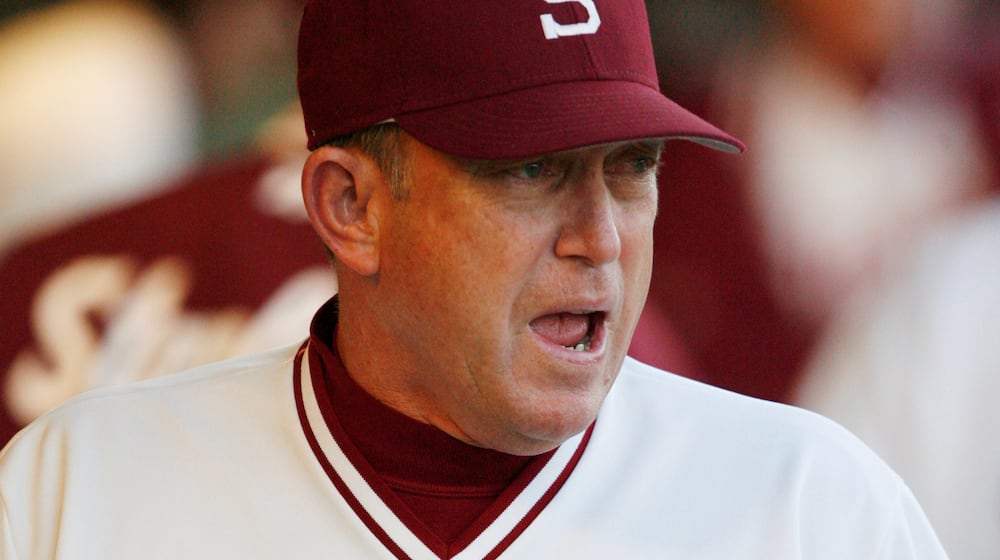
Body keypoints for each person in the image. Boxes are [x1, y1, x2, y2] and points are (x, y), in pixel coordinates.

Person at [0, 1, 948, 558]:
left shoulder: (815, 511)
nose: (600, 238)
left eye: (633, 166)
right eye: (529, 169)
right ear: (349, 206)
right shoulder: (75, 491)